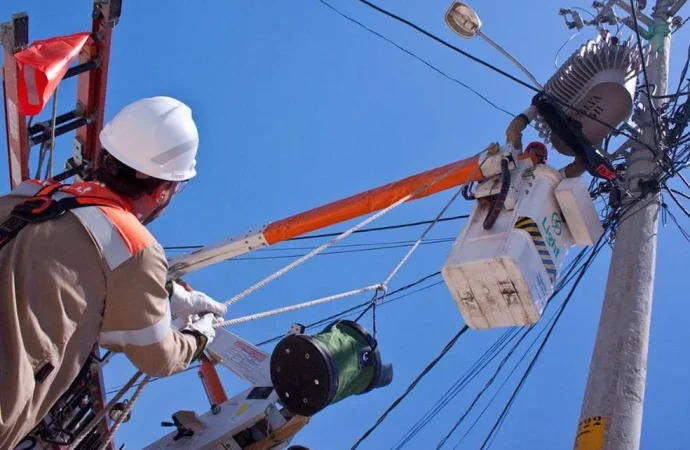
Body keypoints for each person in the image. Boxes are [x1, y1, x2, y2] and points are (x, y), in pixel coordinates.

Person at [0, 96, 228, 449]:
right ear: (164, 189)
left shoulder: (30, 195)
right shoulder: (134, 245)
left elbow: (53, 273)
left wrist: (165, 294)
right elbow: (157, 355)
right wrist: (197, 337)